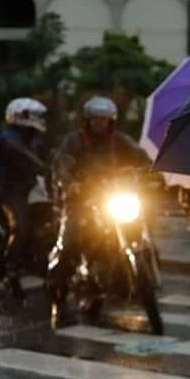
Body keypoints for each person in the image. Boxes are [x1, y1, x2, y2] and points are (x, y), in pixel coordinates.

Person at [48, 96, 152, 325]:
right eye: (95, 120)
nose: (100, 124)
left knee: (141, 220)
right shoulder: (74, 141)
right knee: (70, 242)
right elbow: (61, 163)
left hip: (111, 197)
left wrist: (151, 172)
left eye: (104, 120)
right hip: (81, 201)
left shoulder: (119, 141)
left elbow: (141, 158)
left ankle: (136, 277)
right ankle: (59, 290)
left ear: (111, 121)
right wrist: (70, 182)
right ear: (88, 121)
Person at [0, 97, 50, 300]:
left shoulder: (34, 138)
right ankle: (11, 269)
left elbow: (51, 157)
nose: (40, 119)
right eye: (35, 115)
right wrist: (41, 166)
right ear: (22, 116)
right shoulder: (9, 138)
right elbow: (26, 157)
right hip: (12, 190)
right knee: (20, 225)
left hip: (31, 188)